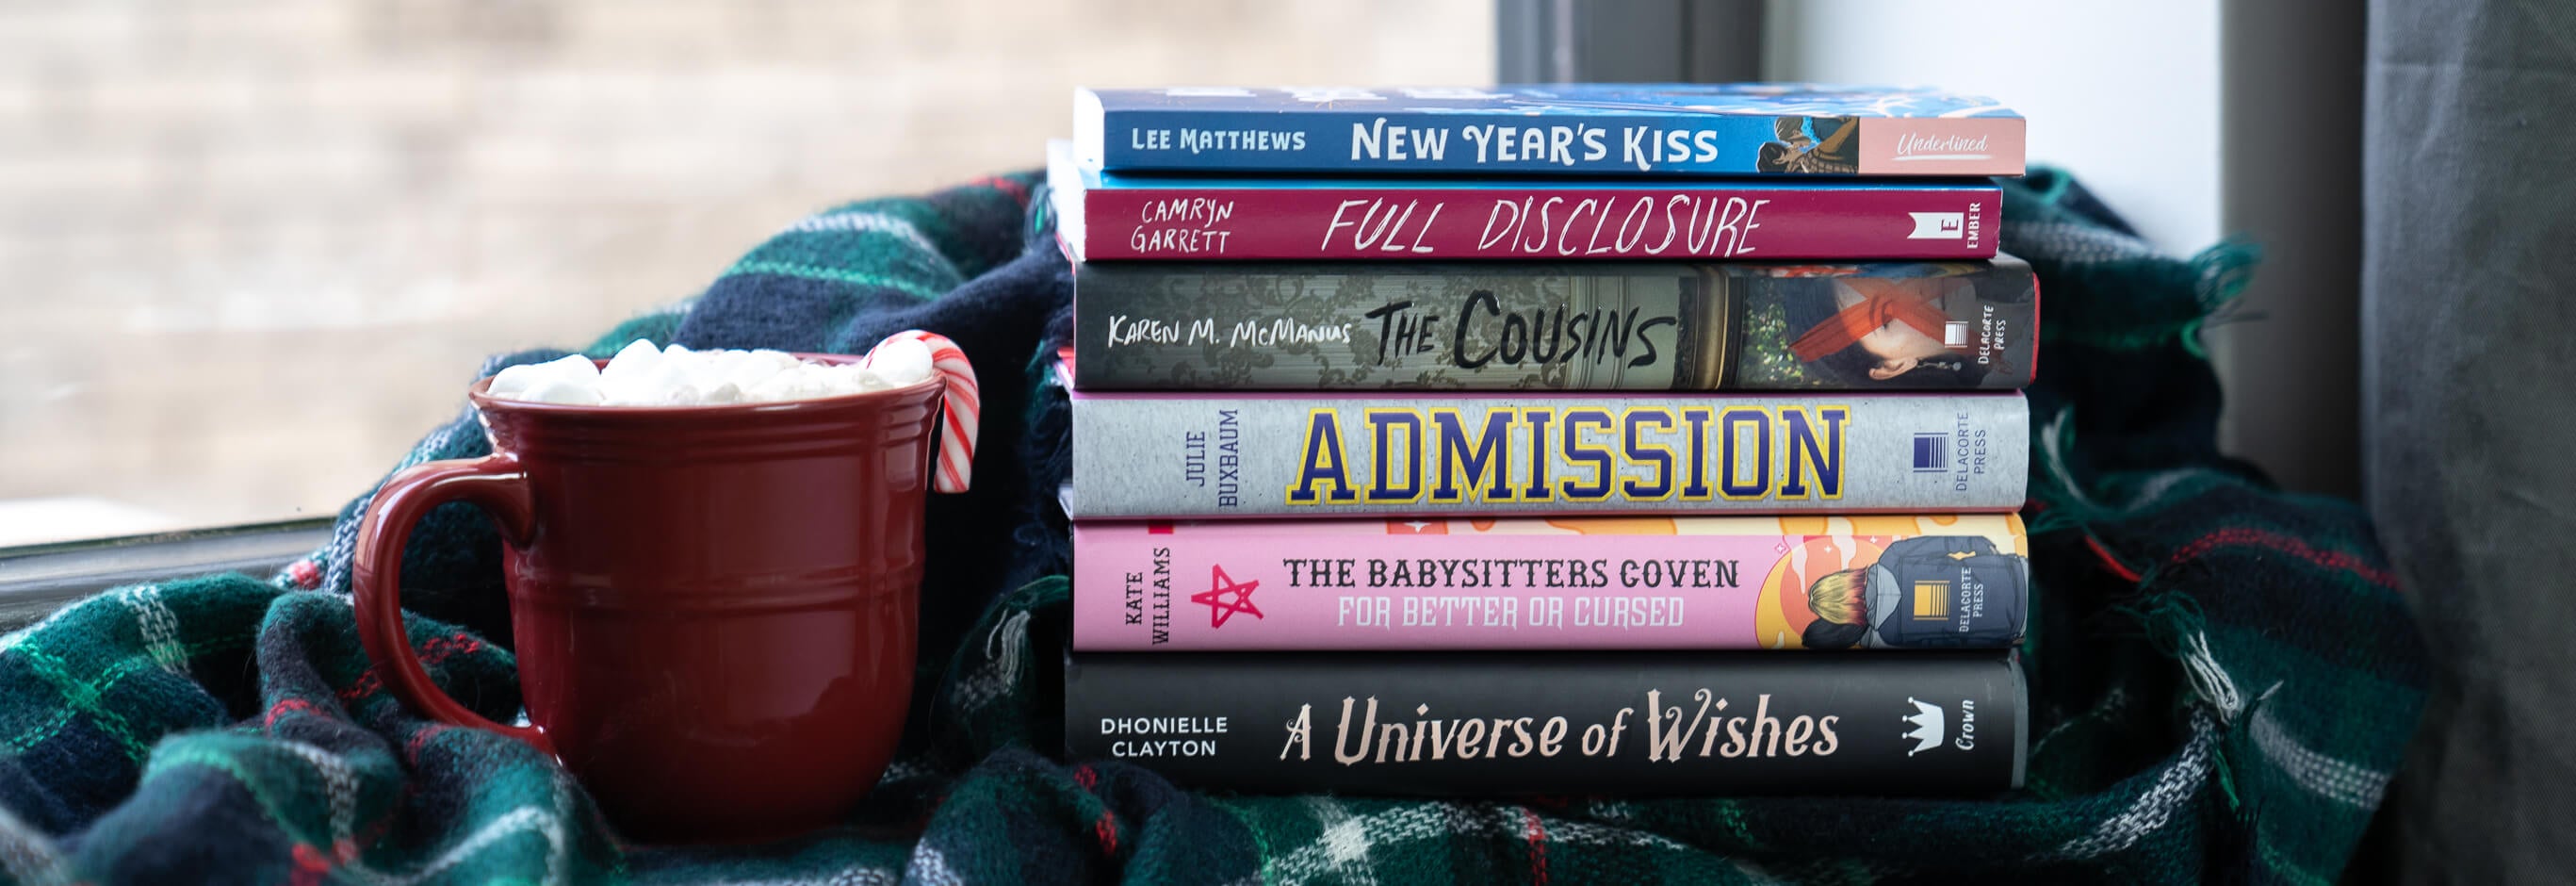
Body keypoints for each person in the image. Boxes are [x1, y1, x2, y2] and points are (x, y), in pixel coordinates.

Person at [1801, 534, 2029, 649]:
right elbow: (1946, 543)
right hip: (2012, 572)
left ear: (1839, 616)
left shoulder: (1889, 634)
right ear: (1844, 577)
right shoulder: (1892, 556)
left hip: (2009, 624)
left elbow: (1947, 641)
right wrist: (1985, 550)